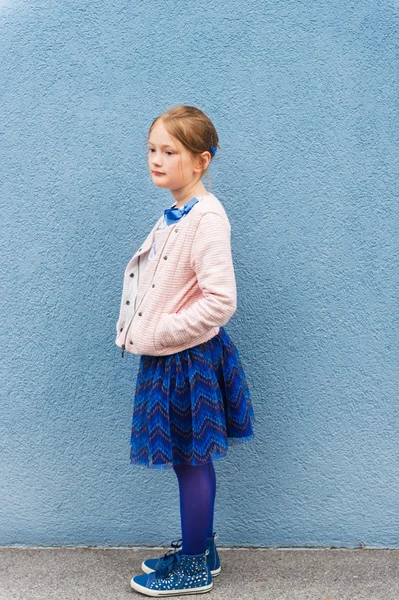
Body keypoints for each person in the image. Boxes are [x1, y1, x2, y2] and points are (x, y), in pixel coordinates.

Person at [115, 104, 255, 596]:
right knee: (186, 458)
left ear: (202, 160)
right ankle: (205, 550)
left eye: (169, 151)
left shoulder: (207, 218)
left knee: (192, 459)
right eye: (152, 149)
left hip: (188, 360)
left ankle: (194, 567)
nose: (156, 159)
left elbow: (221, 301)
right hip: (172, 357)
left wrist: (163, 329)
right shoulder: (178, 212)